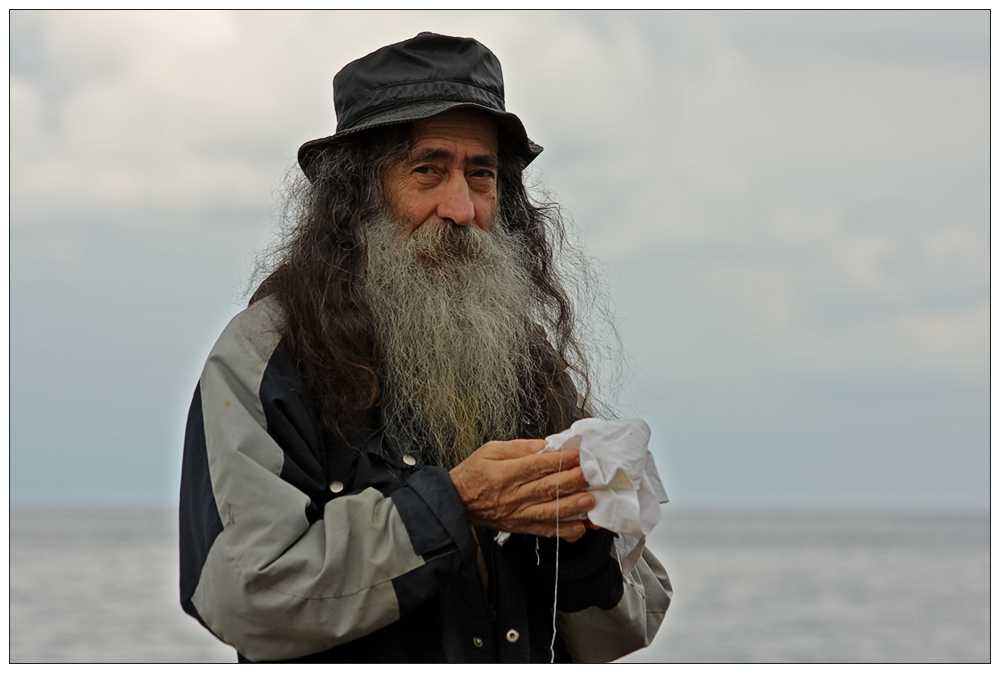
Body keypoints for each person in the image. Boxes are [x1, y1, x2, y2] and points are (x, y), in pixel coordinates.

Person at [179, 32, 671, 663]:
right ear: (357, 194)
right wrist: (454, 507)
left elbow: (633, 622)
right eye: (427, 171)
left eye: (482, 175)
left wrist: (577, 542)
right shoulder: (267, 355)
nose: (461, 207)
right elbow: (243, 598)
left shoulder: (523, 361)